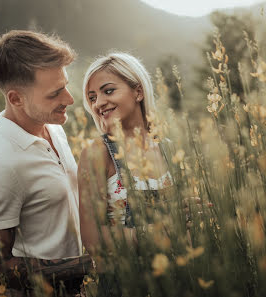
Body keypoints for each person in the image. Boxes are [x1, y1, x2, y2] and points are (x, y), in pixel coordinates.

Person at [0, 30, 92, 296]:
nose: (69, 99)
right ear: (16, 99)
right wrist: (91, 265)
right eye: (55, 94)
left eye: (66, 85)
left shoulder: (51, 126)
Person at [78, 52, 174, 295]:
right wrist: (153, 234)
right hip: (124, 286)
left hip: (175, 281)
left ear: (138, 92)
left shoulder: (168, 148)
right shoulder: (96, 154)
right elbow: (93, 240)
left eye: (108, 91)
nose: (98, 103)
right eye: (92, 97)